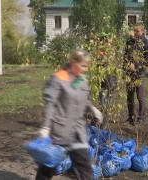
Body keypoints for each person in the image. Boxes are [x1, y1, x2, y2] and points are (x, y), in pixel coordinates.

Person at [35, 50, 103, 180]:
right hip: (59, 132)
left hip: (77, 132)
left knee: (85, 168)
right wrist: (45, 127)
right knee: (48, 167)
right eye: (83, 65)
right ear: (73, 62)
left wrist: (92, 108)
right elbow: (50, 104)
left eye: (87, 66)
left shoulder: (82, 79)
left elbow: (83, 99)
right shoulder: (58, 78)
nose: (85, 69)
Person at [123, 23, 148, 125]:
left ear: (142, 31)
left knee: (140, 96)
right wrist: (125, 68)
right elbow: (125, 56)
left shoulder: (146, 43)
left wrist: (137, 66)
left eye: (137, 31)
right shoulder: (130, 41)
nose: (135, 33)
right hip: (129, 74)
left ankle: (141, 118)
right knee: (129, 96)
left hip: (139, 74)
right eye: (134, 30)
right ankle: (130, 117)